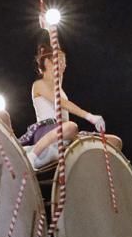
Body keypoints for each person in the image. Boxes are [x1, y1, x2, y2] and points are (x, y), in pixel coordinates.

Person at [19, 40, 120, 170]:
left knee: (114, 142)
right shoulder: (39, 85)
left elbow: (56, 46)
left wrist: (51, 29)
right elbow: (62, 103)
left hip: (67, 135)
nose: (64, 65)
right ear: (48, 62)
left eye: (65, 62)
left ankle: (90, 170)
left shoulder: (58, 85)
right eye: (60, 61)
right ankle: (32, 156)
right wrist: (89, 116)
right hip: (48, 132)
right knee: (71, 126)